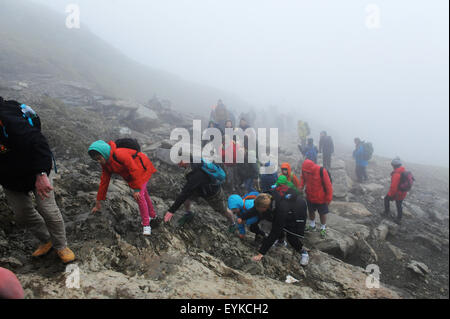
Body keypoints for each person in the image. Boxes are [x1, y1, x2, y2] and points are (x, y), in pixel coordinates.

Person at [0, 97, 75, 263]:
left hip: (36, 168)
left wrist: (41, 174)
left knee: (47, 209)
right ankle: (47, 239)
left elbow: (38, 142)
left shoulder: (8, 120)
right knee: (22, 214)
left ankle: (61, 246)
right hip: (9, 177)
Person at [88, 140, 158, 236]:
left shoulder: (119, 154)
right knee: (144, 194)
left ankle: (146, 225)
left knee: (139, 196)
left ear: (104, 153)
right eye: (96, 160)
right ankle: (153, 215)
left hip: (142, 169)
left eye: (99, 158)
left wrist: (137, 189)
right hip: (134, 174)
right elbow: (104, 183)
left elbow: (134, 169)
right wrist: (98, 202)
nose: (99, 161)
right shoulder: (106, 164)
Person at [163, 155, 236, 232]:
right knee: (186, 198)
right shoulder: (192, 161)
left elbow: (186, 191)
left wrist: (171, 211)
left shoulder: (197, 173)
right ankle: (189, 213)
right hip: (199, 188)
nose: (177, 164)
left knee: (223, 210)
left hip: (212, 192)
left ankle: (233, 224)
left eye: (179, 162)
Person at [251, 193, 309, 266]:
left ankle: (303, 252)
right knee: (274, 221)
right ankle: (281, 241)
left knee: (291, 236)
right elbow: (253, 210)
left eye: (259, 209)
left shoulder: (280, 210)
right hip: (289, 206)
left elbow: (275, 231)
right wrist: (242, 217)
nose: (257, 210)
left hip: (298, 209)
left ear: (265, 207)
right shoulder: (266, 199)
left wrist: (261, 253)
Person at [299, 159, 333, 238]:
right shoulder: (305, 170)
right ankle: (312, 225)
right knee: (311, 211)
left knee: (322, 213)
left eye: (307, 172)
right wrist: (301, 186)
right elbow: (303, 178)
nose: (306, 173)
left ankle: (323, 227)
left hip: (321, 198)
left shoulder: (321, 171)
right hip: (310, 196)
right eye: (305, 171)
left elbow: (328, 186)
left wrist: (328, 198)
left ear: (311, 168)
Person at [383, 157, 410, 225]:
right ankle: (399, 218)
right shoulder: (403, 171)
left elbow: (393, 187)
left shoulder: (396, 174)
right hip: (403, 192)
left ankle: (386, 212)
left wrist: (391, 195)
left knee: (386, 199)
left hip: (398, 193)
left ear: (394, 165)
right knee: (399, 204)